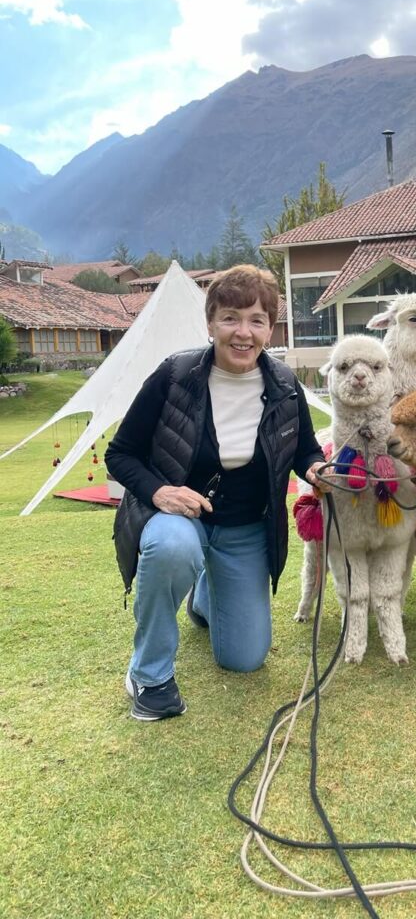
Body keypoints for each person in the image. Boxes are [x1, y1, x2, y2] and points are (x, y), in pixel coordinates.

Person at [106, 265, 325, 721]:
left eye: (257, 320)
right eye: (230, 318)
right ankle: (149, 677)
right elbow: (121, 454)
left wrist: (320, 469)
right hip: (180, 521)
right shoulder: (174, 376)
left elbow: (304, 449)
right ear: (210, 323)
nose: (243, 332)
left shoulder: (285, 385)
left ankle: (203, 595)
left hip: (245, 530)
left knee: (245, 659)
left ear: (271, 328)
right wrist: (160, 492)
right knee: (172, 547)